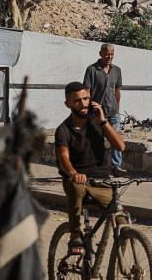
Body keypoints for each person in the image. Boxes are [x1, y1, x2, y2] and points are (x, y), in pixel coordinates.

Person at [56, 82, 125, 255]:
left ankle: (120, 264)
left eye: (85, 99)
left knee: (122, 221)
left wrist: (103, 121)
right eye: (77, 101)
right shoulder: (64, 130)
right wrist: (73, 173)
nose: (83, 104)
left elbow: (120, 146)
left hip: (102, 181)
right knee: (76, 188)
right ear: (68, 104)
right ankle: (74, 234)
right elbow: (63, 157)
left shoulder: (97, 123)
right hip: (77, 179)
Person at [82, 44, 125, 175]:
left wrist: (117, 109)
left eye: (112, 54)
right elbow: (87, 91)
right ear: (100, 53)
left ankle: (116, 166)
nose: (109, 57)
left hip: (113, 112)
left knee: (115, 138)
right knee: (95, 140)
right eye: (107, 54)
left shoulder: (116, 70)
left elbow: (117, 91)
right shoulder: (92, 70)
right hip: (96, 113)